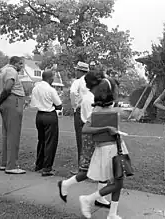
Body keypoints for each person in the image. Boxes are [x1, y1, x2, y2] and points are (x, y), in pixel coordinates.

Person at [57, 70, 111, 209]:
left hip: (97, 134)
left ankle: (101, 197)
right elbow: (92, 121)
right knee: (88, 169)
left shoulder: (93, 96)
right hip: (92, 135)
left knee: (103, 166)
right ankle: (66, 184)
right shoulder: (90, 99)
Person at [78, 77, 128, 219]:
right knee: (117, 182)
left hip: (114, 146)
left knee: (118, 181)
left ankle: (112, 213)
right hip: (108, 149)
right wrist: (106, 128)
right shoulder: (98, 110)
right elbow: (85, 129)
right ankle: (88, 199)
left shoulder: (108, 108)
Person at [0, 56, 26, 174]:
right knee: (14, 134)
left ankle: (5, 163)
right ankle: (11, 166)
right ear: (15, 63)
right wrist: (1, 100)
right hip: (13, 103)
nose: (22, 66)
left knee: (6, 134)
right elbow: (7, 88)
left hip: (5, 104)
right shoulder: (11, 71)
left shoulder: (3, 72)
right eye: (20, 64)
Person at [30, 69, 62, 177]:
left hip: (39, 116)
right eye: (52, 77)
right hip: (49, 115)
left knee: (41, 140)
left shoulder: (36, 88)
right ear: (49, 78)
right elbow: (59, 105)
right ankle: (47, 168)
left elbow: (34, 103)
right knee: (50, 142)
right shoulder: (51, 89)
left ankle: (39, 164)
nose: (53, 79)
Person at [70, 61, 90, 174]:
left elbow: (73, 94)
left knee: (80, 139)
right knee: (91, 139)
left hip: (80, 111)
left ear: (79, 71)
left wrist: (74, 107)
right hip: (91, 112)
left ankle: (82, 166)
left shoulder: (77, 82)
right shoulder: (93, 81)